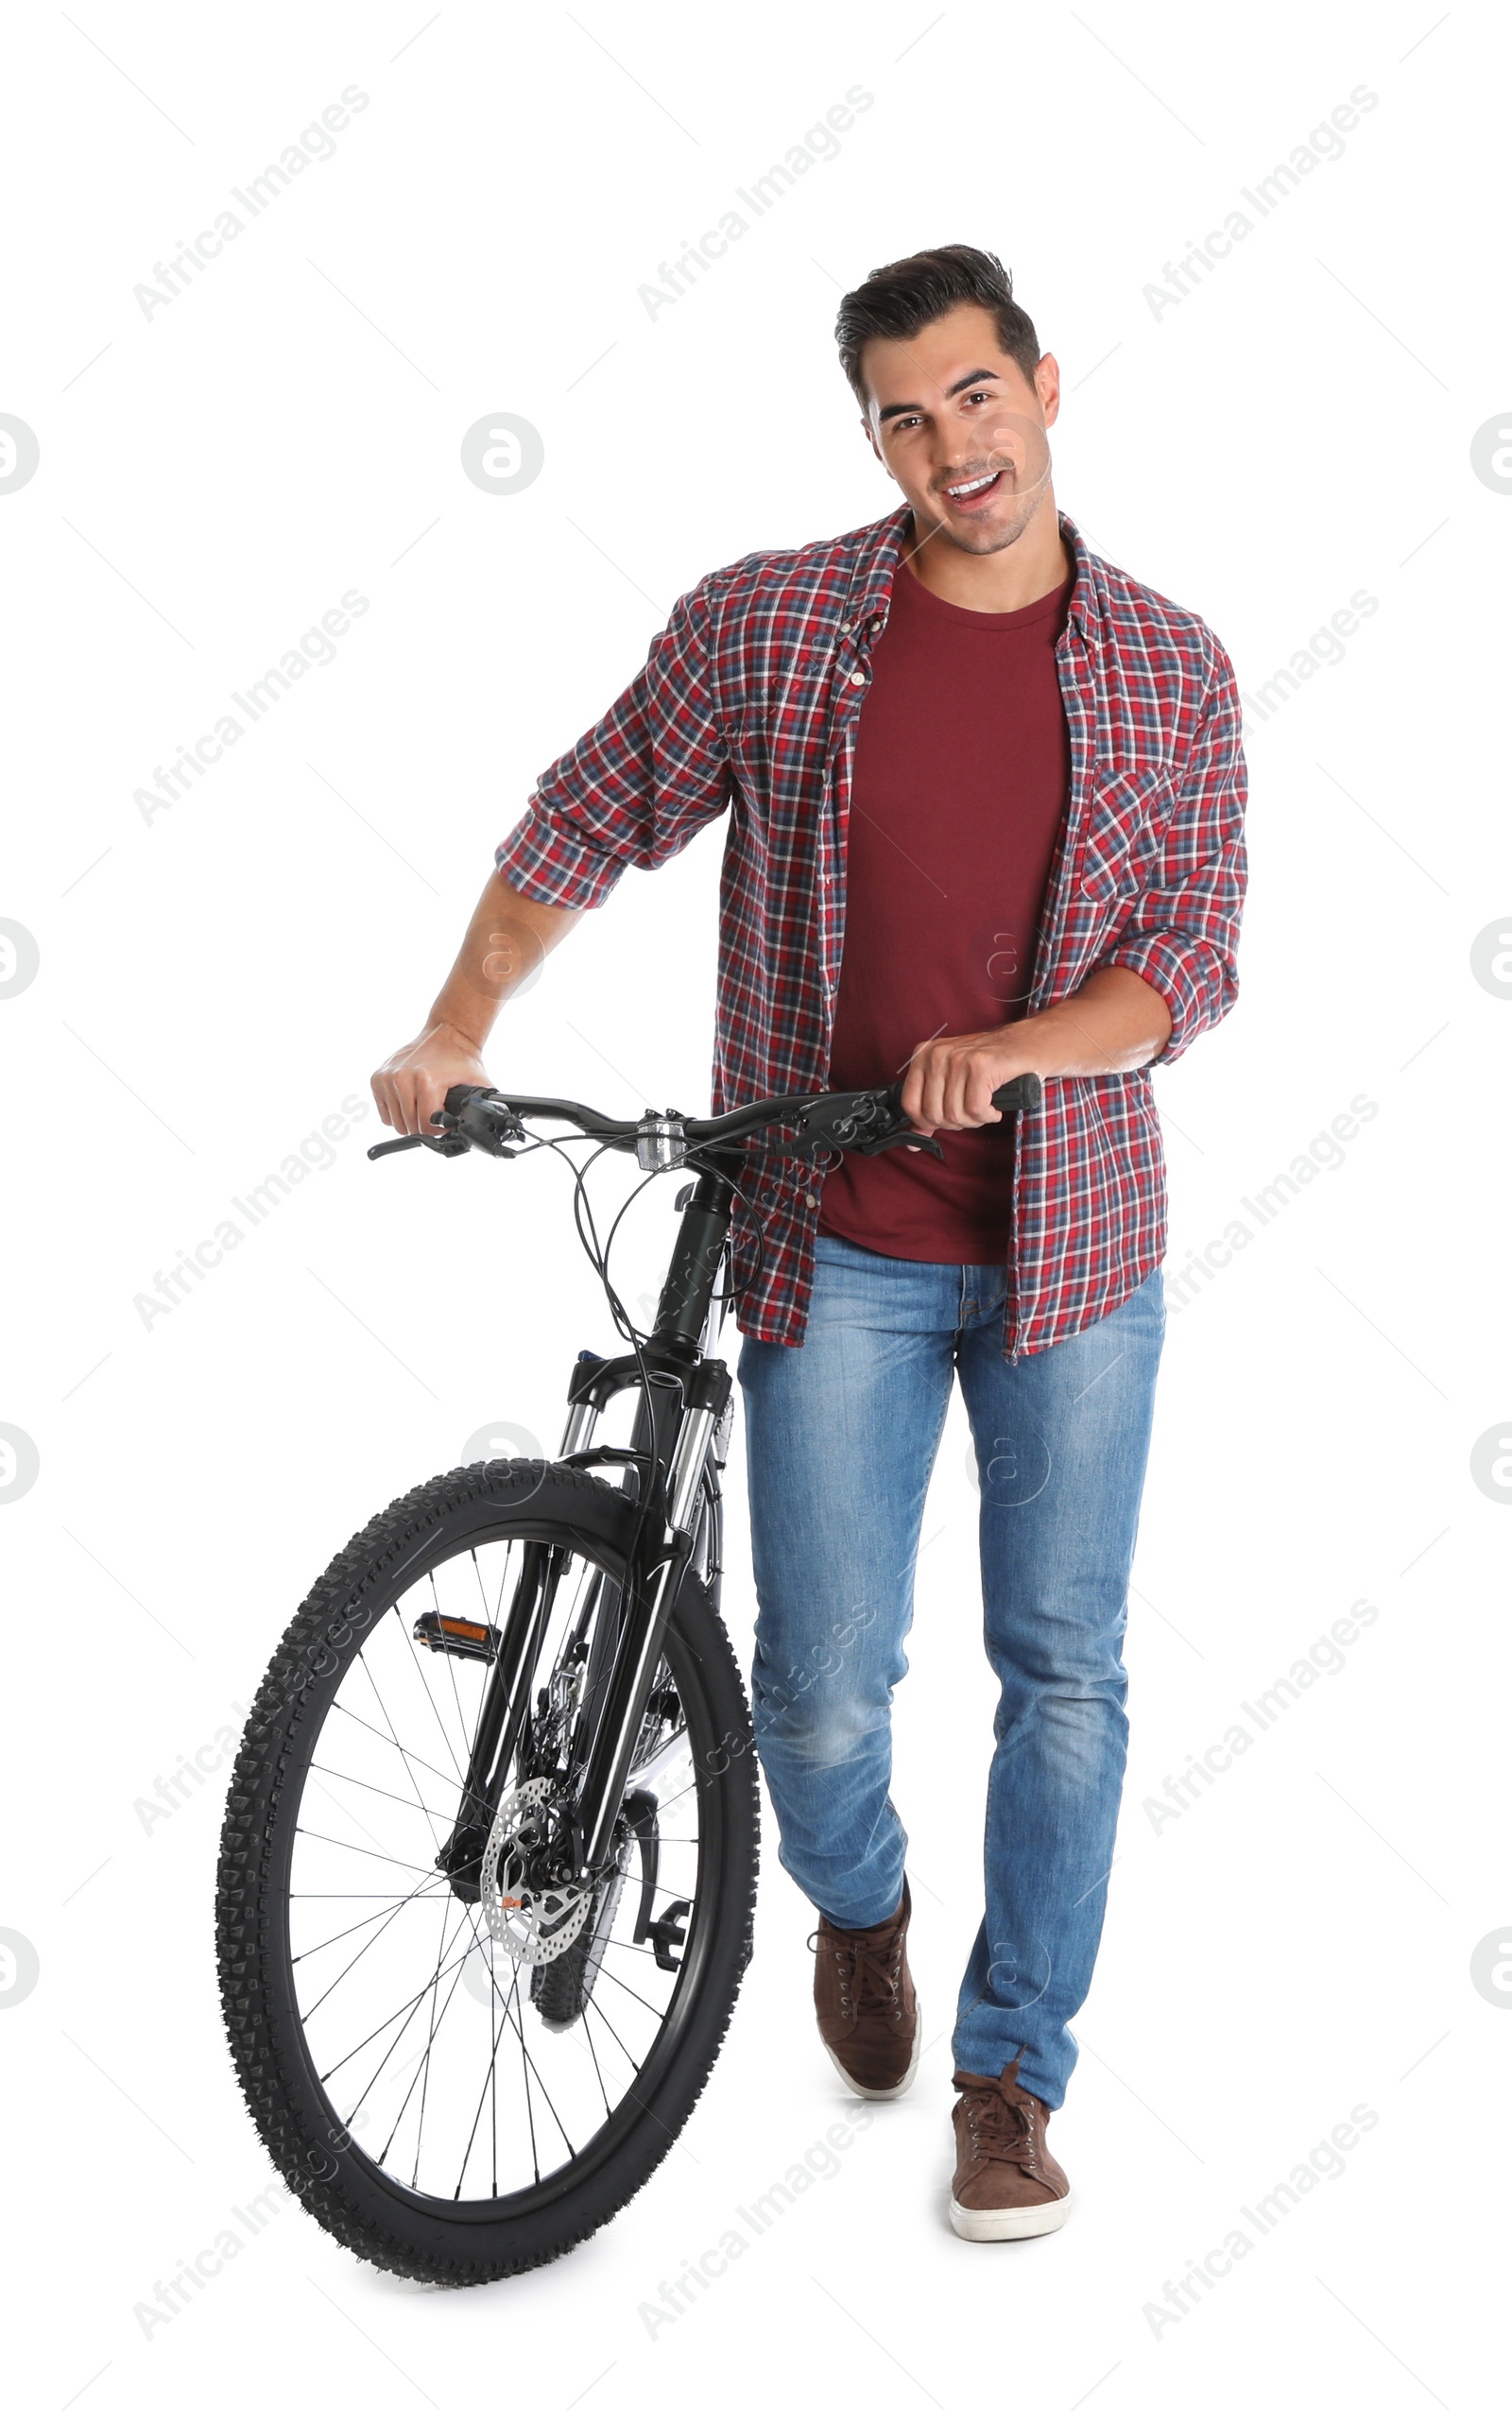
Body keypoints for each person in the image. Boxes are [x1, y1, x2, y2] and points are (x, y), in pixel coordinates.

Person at [372, 244, 1246, 2243]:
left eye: (974, 393)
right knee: (819, 1691)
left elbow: (1186, 961)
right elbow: (584, 811)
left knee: (1064, 1668)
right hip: (822, 1233)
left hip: (1073, 1248)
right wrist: (455, 1026)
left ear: (1043, 381)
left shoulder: (1167, 667)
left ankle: (1010, 2070)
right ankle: (862, 1903)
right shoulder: (771, 627)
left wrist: (1015, 1054)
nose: (952, 445)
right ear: (871, 437)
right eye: (904, 417)